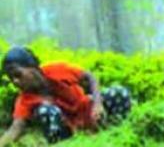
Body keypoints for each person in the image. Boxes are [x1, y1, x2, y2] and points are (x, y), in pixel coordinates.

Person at [0, 47, 132, 145]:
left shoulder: (57, 71)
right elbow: (15, 128)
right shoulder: (24, 100)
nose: (15, 82)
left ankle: (118, 132)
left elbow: (90, 77)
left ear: (32, 67)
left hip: (88, 113)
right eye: (11, 78)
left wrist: (98, 104)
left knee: (119, 92)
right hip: (68, 130)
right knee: (44, 111)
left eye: (18, 75)